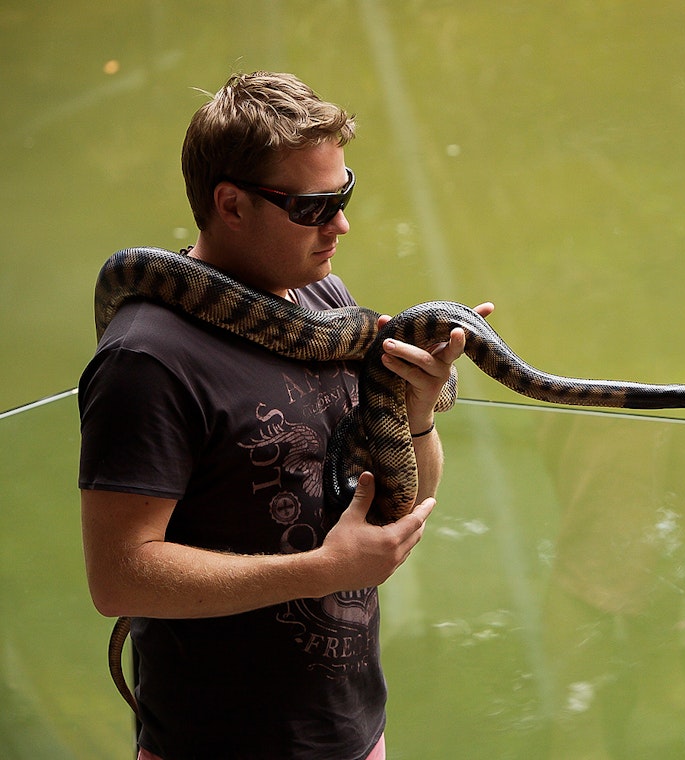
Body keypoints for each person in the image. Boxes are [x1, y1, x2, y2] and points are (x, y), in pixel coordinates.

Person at [79, 71, 491, 760]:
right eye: (312, 205)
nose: (341, 224)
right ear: (231, 204)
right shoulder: (147, 359)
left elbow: (406, 490)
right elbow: (118, 576)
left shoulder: (322, 299)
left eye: (344, 193)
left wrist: (419, 410)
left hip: (351, 734)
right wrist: (322, 572)